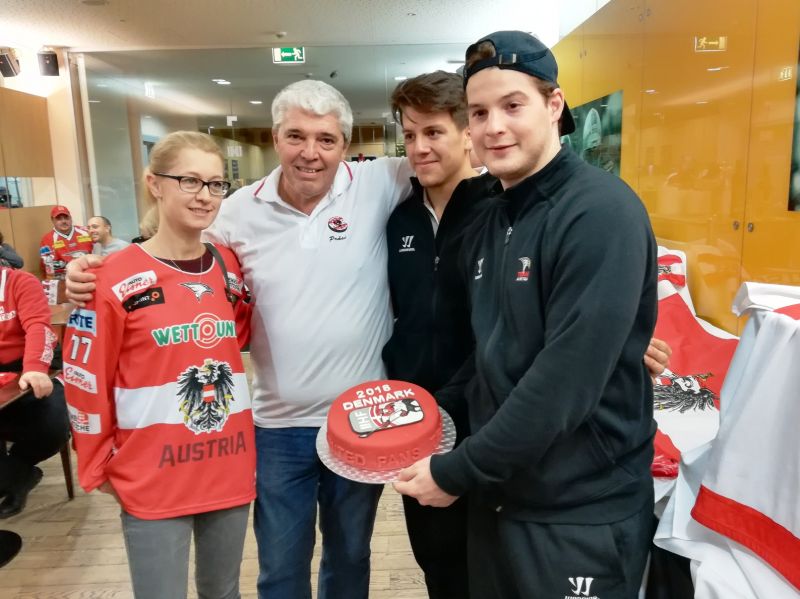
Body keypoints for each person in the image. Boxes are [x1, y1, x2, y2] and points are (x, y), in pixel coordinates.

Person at [66, 83, 414, 599]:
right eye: (295, 136)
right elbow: (176, 263)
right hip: (275, 427)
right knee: (279, 565)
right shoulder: (233, 212)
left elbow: (452, 159)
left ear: (345, 144)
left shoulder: (382, 180)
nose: (310, 152)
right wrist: (94, 270)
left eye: (326, 139)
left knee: (350, 556)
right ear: (275, 137)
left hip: (358, 420)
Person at [394, 31, 659, 599]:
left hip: (578, 511)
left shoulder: (600, 212)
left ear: (554, 104)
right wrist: (423, 415)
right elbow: (493, 355)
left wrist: (457, 471)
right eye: (480, 112)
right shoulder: (493, 219)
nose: (494, 127)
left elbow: (564, 381)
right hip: (502, 499)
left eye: (512, 106)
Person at [64, 131, 255, 598]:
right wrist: (97, 464)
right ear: (154, 183)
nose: (204, 195)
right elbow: (84, 379)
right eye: (189, 181)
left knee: (223, 592)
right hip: (152, 473)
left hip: (228, 466)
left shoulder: (229, 266)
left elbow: (239, 337)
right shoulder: (108, 277)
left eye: (215, 184)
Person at [0, 265, 69, 518]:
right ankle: (16, 478)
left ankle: (17, 471)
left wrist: (35, 368)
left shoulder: (20, 282)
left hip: (32, 365)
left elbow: (38, 326)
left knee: (53, 425)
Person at [39, 205, 93, 279]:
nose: (64, 221)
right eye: (59, 219)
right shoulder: (47, 239)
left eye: (66, 217)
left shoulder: (86, 232)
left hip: (90, 274)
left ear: (70, 218)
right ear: (52, 220)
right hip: (65, 278)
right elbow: (47, 268)